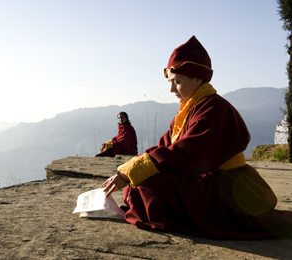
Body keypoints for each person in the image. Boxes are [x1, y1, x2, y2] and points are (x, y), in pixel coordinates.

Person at [100, 36, 292, 239]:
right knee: (140, 185)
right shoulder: (190, 108)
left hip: (228, 186)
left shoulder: (214, 108)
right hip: (206, 178)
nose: (172, 89)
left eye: (178, 82)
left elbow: (186, 154)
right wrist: (131, 171)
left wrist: (133, 171)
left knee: (149, 188)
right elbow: (165, 146)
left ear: (198, 79)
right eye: (170, 82)